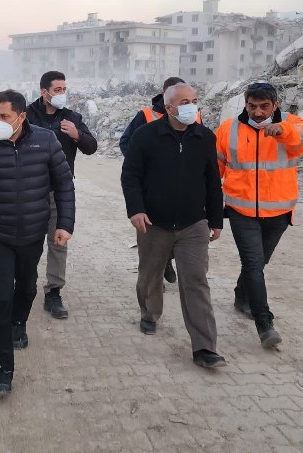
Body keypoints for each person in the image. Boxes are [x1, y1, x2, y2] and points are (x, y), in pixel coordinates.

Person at [0, 89, 75, 397]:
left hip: (32, 233)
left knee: (26, 287)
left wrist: (64, 223)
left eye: (4, 116)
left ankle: (19, 322)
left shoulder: (45, 141)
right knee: (0, 297)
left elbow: (64, 183)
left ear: (22, 117)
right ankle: (1, 371)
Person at [121, 82, 226, 368]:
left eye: (194, 100)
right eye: (184, 102)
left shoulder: (205, 137)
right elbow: (130, 176)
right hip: (154, 223)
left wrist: (215, 219)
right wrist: (136, 210)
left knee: (196, 281)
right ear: (168, 108)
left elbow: (212, 182)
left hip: (194, 224)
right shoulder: (146, 136)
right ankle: (149, 314)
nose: (191, 106)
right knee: (149, 275)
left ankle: (205, 347)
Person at [215, 82, 303, 349]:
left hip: (279, 212)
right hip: (241, 211)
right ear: (245, 104)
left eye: (264, 107)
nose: (258, 112)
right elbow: (214, 172)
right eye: (252, 106)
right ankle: (264, 323)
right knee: (253, 263)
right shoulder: (228, 130)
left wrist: (282, 131)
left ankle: (241, 295)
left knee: (259, 262)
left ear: (276, 104)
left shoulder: (294, 124)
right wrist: (208, 207)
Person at [25, 70, 97, 319]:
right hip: (29, 192)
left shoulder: (72, 117)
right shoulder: (27, 115)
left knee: (58, 242)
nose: (62, 94)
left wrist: (76, 134)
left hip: (59, 192)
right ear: (44, 92)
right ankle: (23, 285)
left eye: (64, 89)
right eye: (57, 90)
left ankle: (53, 292)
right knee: (27, 243)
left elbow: (91, 146)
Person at [119, 76, 192, 285]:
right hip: (151, 186)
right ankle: (159, 268)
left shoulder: (192, 116)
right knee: (154, 232)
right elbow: (126, 142)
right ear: (166, 94)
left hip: (182, 185)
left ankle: (167, 260)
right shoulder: (145, 115)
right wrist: (140, 159)